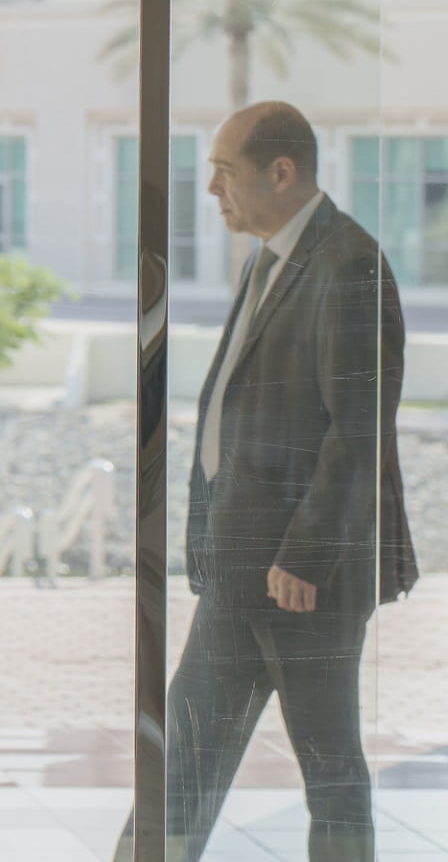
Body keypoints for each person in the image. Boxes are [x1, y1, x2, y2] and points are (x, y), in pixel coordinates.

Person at [115, 101, 416, 862]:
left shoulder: (349, 264)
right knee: (183, 757)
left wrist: (303, 559)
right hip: (243, 569)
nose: (212, 188)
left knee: (329, 768)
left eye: (225, 171)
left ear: (281, 172)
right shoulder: (270, 257)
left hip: (302, 581)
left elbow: (358, 431)